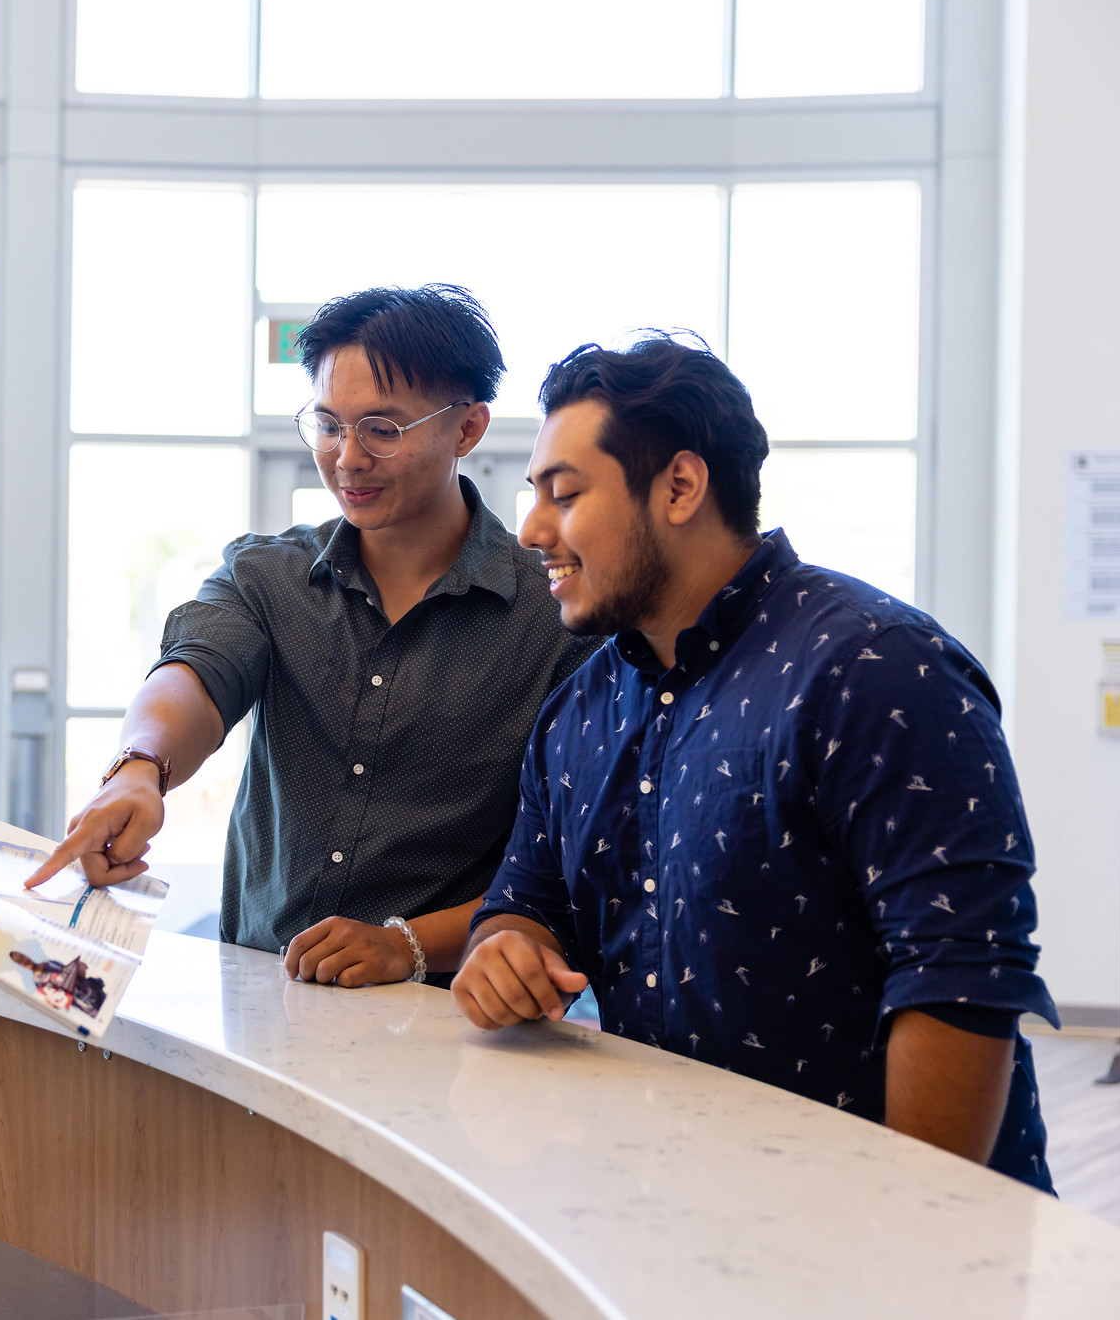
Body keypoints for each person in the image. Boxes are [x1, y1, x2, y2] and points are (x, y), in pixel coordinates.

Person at [453, 334, 1060, 1189]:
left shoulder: (877, 668)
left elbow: (960, 979)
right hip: (666, 1209)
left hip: (880, 1242)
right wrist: (504, 951)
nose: (532, 530)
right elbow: (525, 904)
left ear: (680, 486)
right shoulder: (578, 712)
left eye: (566, 493)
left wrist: (918, 1238)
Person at [32, 286, 597, 986]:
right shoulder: (269, 575)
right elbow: (198, 669)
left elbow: (568, 869)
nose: (347, 458)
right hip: (253, 1006)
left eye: (382, 430)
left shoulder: (552, 618)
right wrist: (142, 769)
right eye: (329, 425)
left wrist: (407, 944)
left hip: (442, 1031)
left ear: (468, 429)